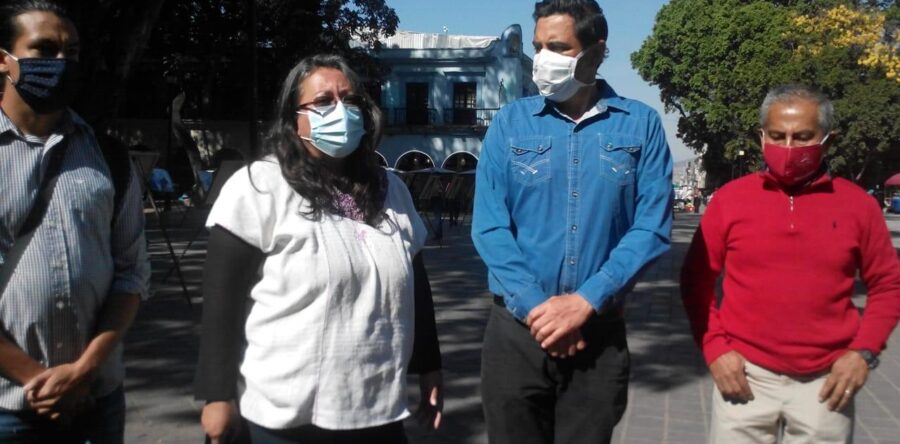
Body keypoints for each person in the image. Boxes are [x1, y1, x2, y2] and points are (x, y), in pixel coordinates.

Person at [195, 54, 443, 444]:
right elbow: (221, 302)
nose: (340, 111)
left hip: (378, 409)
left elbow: (417, 286)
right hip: (286, 418)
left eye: (350, 100)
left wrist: (430, 367)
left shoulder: (390, 189)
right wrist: (216, 395)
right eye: (323, 101)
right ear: (294, 119)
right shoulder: (259, 187)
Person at [471, 1, 673, 442]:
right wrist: (540, 310)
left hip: (596, 333)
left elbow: (652, 226)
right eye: (538, 46)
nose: (543, 59)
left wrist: (584, 302)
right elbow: (489, 226)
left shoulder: (641, 126)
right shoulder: (509, 124)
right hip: (517, 335)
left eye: (558, 47)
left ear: (596, 53)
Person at [680, 84, 900, 443]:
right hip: (744, 377)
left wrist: (864, 353)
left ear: (828, 140)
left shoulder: (859, 206)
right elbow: (695, 281)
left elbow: (888, 285)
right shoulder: (730, 201)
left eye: (802, 137)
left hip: (826, 383)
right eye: (777, 136)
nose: (788, 148)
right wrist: (715, 348)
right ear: (761, 136)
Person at [0, 1, 149, 442]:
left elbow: (132, 273)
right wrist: (40, 380)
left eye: (72, 53)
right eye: (44, 50)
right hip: (9, 407)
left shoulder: (109, 158)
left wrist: (84, 371)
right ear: (4, 61)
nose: (61, 64)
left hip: (98, 397)